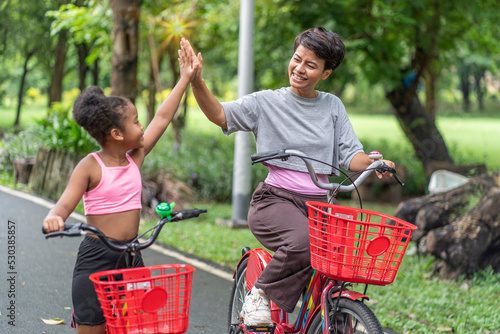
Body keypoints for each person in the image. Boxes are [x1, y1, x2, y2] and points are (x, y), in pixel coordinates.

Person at [180, 26, 396, 327]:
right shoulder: (266, 102)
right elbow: (219, 114)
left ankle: (332, 317)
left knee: (341, 261)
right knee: (304, 244)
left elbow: (351, 156)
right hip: (275, 201)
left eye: (311, 65)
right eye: (297, 59)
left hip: (320, 207)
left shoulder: (332, 106)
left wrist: (376, 162)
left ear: (326, 73)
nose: (300, 69)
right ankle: (261, 294)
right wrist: (196, 80)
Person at [42, 42, 199, 334]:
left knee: (141, 325)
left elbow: (162, 118)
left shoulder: (133, 159)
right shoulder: (89, 166)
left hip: (131, 255)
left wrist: (185, 79)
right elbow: (64, 204)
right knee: (94, 328)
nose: (142, 127)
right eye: (136, 122)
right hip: (96, 260)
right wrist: (55, 216)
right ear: (116, 134)